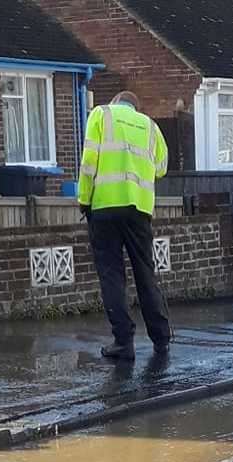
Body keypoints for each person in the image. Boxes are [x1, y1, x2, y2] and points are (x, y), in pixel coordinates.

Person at [79, 91, 172, 361]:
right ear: (135, 106)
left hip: (104, 208)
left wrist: (84, 200)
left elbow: (88, 163)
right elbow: (161, 167)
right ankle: (161, 338)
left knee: (112, 275)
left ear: (116, 101)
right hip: (139, 210)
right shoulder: (150, 126)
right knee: (145, 272)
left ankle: (123, 342)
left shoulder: (101, 115)